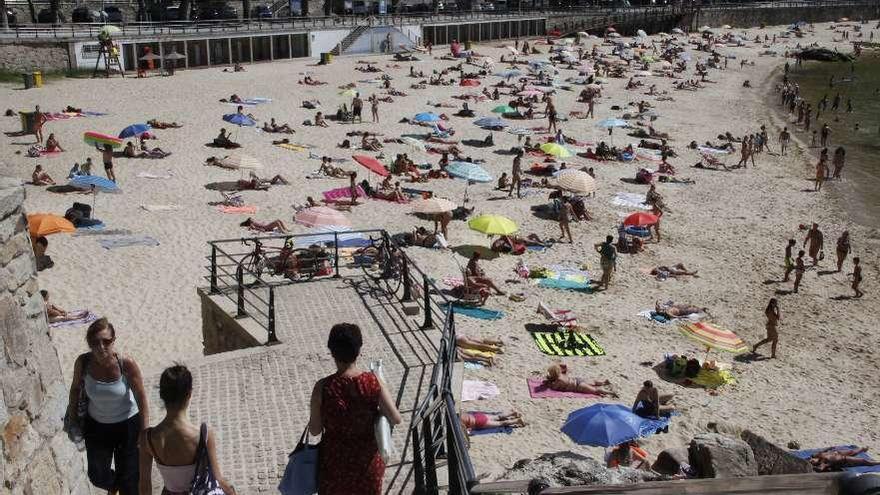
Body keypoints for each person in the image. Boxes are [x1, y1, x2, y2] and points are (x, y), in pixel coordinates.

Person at [309, 323, 402, 495]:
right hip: (367, 466)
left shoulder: (322, 388)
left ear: (332, 351)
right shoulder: (373, 382)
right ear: (358, 351)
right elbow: (396, 418)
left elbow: (315, 430)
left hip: (334, 466)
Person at [66, 318, 149, 495]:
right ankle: (114, 486)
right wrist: (72, 418)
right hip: (97, 427)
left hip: (128, 425)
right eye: (95, 342)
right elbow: (74, 389)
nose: (101, 346)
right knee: (97, 475)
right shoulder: (83, 363)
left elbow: (141, 396)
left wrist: (144, 432)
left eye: (106, 341)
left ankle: (124, 485)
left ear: (114, 340)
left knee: (130, 482)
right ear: (89, 343)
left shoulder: (126, 364)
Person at [139, 364, 236, 495]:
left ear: (161, 395)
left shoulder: (147, 438)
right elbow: (219, 479)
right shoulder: (203, 435)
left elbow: (144, 483)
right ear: (189, 394)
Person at [544, 364, 617, 397]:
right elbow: (565, 367)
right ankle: (604, 382)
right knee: (594, 382)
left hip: (579, 386)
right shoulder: (562, 375)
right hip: (577, 380)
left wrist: (548, 383)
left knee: (595, 390)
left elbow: (553, 388)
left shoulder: (559, 381)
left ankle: (610, 392)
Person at [810, 447, 880, 472]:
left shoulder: (816, 455)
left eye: (812, 460)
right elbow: (820, 469)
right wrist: (813, 468)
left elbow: (822, 450)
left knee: (853, 451)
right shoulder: (823, 463)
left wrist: (829, 448)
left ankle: (863, 449)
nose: (812, 460)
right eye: (812, 462)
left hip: (837, 453)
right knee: (863, 461)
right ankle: (878, 463)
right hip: (844, 459)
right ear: (816, 464)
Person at [460, 411, 525, 433]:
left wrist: (468, 429)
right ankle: (512, 413)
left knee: (500, 423)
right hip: (478, 416)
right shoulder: (459, 415)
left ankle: (516, 421)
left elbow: (466, 429)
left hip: (478, 422)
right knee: (497, 416)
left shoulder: (459, 423)